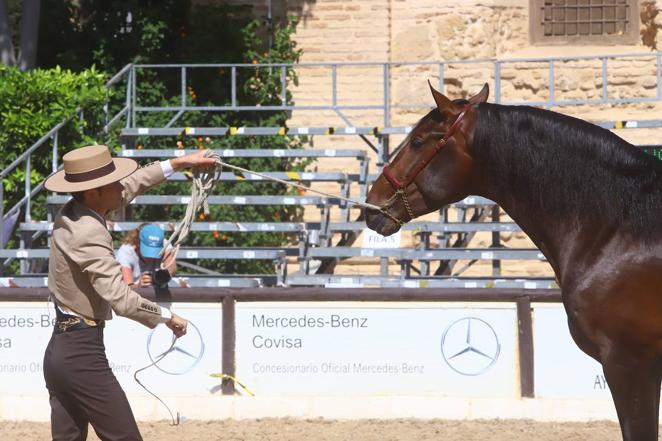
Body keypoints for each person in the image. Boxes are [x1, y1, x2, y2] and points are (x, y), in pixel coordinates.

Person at [42, 144, 216, 441]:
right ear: (94, 191)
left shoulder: (75, 213)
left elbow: (134, 184)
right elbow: (120, 298)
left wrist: (180, 162)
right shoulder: (89, 232)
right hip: (81, 354)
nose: (122, 187)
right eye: (113, 182)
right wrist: (167, 316)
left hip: (62, 350)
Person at [116, 223, 176, 288]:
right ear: (137, 242)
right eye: (148, 250)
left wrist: (167, 252)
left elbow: (171, 271)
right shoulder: (125, 253)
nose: (151, 256)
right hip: (134, 292)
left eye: (155, 249)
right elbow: (126, 288)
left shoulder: (164, 245)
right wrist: (139, 286)